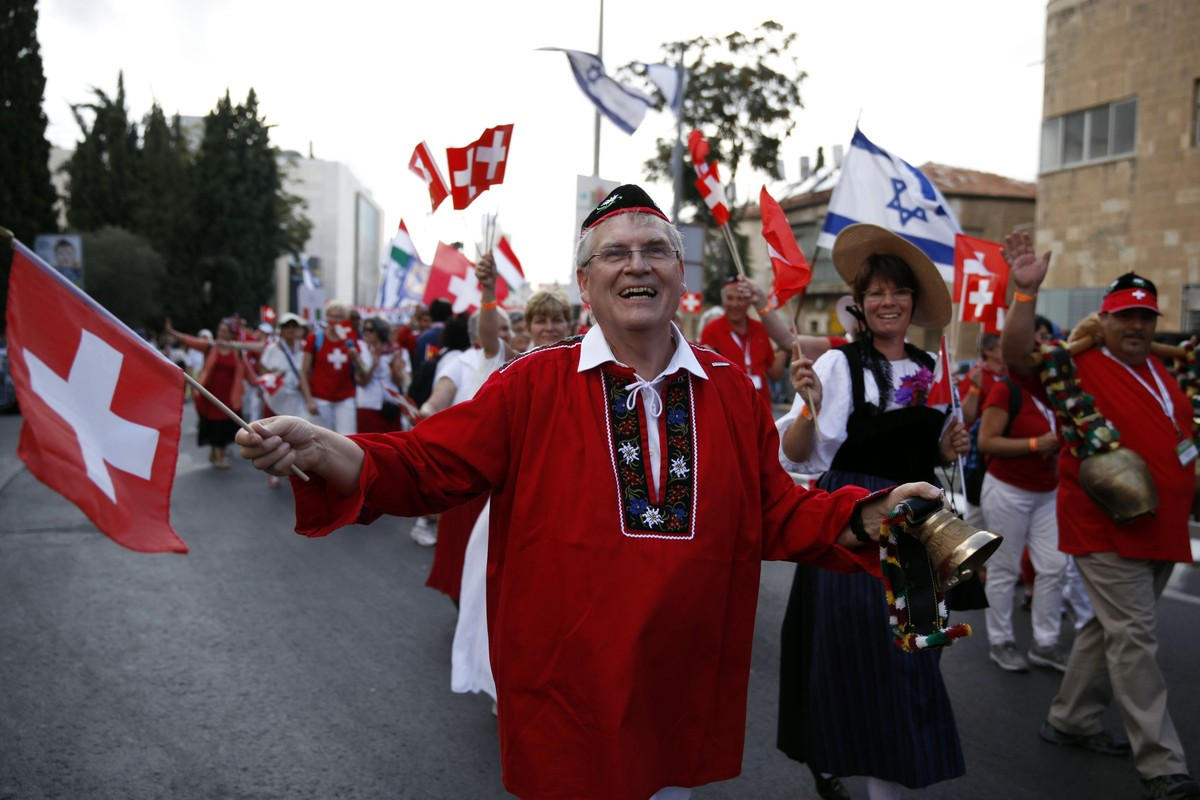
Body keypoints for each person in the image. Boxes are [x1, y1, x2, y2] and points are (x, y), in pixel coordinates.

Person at [235, 185, 941, 800]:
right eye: (616, 252)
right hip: (567, 691)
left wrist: (867, 514)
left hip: (678, 690)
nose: (638, 263)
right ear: (585, 281)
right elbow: (424, 465)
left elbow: (774, 511)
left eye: (656, 250)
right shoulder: (532, 383)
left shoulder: (730, 386)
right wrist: (326, 447)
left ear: (679, 273)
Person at [1001, 232, 1199, 800]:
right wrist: (1024, 294)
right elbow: (1017, 357)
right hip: (1103, 527)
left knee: (1106, 629)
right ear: (1104, 320)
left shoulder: (1165, 372)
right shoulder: (1075, 364)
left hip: (1163, 528)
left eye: (1145, 316)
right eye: (1125, 317)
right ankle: (1162, 763)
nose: (1136, 326)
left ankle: (1070, 718)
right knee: (1134, 637)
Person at [776, 223, 970, 800]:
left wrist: (947, 448)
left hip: (920, 522)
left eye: (899, 293)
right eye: (876, 293)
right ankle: (852, 766)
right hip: (855, 515)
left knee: (914, 655)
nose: (888, 302)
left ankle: (886, 771)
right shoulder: (836, 366)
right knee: (859, 654)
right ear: (859, 305)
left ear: (913, 303)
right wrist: (806, 408)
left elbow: (931, 452)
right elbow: (799, 457)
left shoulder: (932, 372)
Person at [976, 366, 1067, 673]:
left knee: (1055, 567)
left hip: (1048, 492)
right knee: (1003, 568)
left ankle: (1046, 642)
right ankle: (1001, 641)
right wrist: (1034, 444)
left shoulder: (1061, 391)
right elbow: (986, 441)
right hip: (1008, 490)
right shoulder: (1008, 390)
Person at [169, 317, 251, 470]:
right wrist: (172, 332)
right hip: (211, 393)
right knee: (213, 423)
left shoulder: (237, 352)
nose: (221, 333)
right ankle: (216, 451)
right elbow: (189, 340)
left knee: (225, 424)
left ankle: (219, 454)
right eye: (219, 330)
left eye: (225, 331)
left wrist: (260, 383)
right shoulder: (210, 347)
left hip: (229, 395)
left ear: (231, 334)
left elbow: (248, 372)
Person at [700, 275, 790, 408]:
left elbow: (774, 373)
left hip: (761, 408)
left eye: (740, 298)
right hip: (729, 409)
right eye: (730, 298)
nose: (735, 304)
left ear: (749, 302)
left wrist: (787, 343)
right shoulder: (712, 331)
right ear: (723, 301)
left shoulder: (761, 329)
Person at [300, 300, 363, 434]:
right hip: (320, 399)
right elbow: (304, 372)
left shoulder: (351, 340)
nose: (334, 320)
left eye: (339, 317)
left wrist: (355, 357)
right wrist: (309, 400)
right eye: (331, 316)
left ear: (345, 320)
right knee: (322, 441)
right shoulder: (315, 338)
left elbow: (361, 369)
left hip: (346, 399)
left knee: (349, 440)